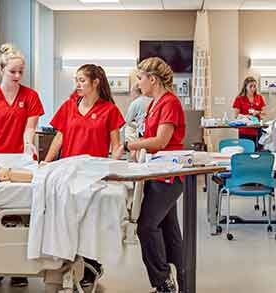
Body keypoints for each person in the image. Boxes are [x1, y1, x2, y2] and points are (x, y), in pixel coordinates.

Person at [44, 64, 125, 289]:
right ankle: (68, 261)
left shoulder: (109, 110)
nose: (77, 85)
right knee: (68, 218)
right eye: (76, 80)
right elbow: (59, 137)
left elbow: (117, 145)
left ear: (95, 82)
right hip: (68, 171)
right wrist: (47, 162)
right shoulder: (69, 106)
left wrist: (116, 165)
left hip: (94, 174)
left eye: (81, 80)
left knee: (90, 221)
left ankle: (92, 264)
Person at [0, 43, 44, 288]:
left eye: (20, 72)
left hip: (21, 159)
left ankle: (19, 268)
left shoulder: (31, 96)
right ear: (1, 69)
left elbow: (30, 128)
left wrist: (28, 145)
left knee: (23, 215)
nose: (17, 76)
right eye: (12, 71)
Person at [121, 57, 186, 293]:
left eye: (140, 78)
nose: (138, 84)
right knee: (169, 230)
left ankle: (163, 281)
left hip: (167, 176)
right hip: (156, 173)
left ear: (152, 79)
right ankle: (181, 278)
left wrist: (132, 145)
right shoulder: (154, 103)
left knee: (146, 227)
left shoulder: (170, 103)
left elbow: (161, 141)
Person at [232, 76, 266, 148]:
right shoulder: (239, 99)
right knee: (246, 149)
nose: (253, 88)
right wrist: (246, 116)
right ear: (245, 87)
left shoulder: (259, 97)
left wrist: (257, 112)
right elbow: (236, 115)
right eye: (250, 86)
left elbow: (264, 112)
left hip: (257, 128)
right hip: (245, 129)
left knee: (258, 150)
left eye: (254, 86)